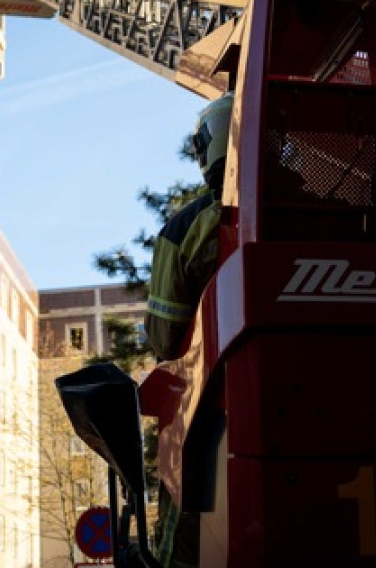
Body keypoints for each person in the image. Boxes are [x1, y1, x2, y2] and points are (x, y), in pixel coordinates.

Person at [146, 91, 233, 568]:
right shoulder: (329, 212)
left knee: (180, 549)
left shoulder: (185, 229)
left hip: (206, 417)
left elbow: (164, 336)